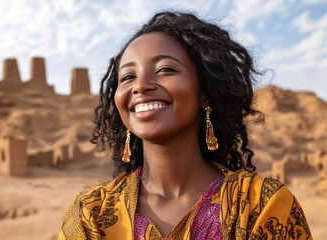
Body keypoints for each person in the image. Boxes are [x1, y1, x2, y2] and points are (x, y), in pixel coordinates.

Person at [59, 11, 312, 240]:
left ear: (206, 93)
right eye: (127, 77)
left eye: (165, 69)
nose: (140, 85)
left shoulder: (262, 204)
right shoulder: (91, 213)